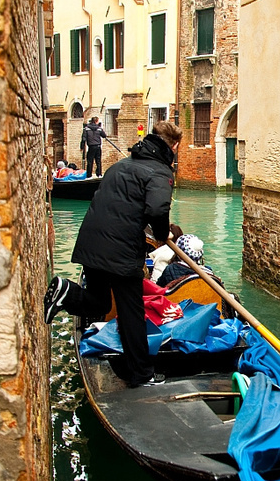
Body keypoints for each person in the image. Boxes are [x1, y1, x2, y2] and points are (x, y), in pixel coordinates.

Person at [44, 121, 183, 387]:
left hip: (91, 242)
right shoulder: (160, 171)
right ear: (173, 146)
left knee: (99, 304)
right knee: (132, 311)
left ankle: (66, 291)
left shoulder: (120, 166)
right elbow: (156, 210)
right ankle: (142, 374)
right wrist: (163, 234)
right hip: (121, 250)